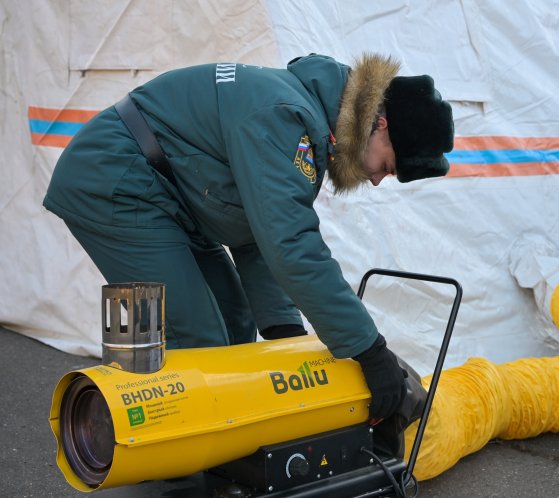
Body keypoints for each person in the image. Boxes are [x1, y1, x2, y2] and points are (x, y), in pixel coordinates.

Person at [43, 52, 455, 422]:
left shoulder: (309, 124)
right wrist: (369, 351)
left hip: (173, 196)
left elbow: (255, 232)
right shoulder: (284, 117)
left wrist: (284, 332)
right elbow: (290, 245)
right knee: (197, 335)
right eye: (388, 165)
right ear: (379, 124)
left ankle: (224, 453)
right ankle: (182, 477)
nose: (379, 180)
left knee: (234, 323)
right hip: (116, 178)